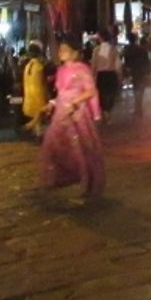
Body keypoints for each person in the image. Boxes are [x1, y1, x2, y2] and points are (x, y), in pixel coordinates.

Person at [40, 38, 105, 198]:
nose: (61, 52)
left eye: (65, 50)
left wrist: (74, 102)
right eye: (60, 49)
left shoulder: (82, 69)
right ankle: (63, 177)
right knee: (55, 143)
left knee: (81, 148)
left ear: (75, 53)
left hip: (77, 113)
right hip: (61, 111)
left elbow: (90, 91)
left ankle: (87, 181)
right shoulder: (61, 70)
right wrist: (52, 103)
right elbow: (61, 93)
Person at [91, 30, 121, 122]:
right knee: (111, 94)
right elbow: (118, 65)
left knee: (102, 94)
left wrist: (93, 76)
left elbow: (94, 65)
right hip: (111, 74)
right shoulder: (113, 49)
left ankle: (105, 110)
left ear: (100, 38)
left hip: (101, 75)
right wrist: (120, 76)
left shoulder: (96, 50)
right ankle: (107, 111)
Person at [22, 41, 49, 135]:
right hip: (39, 96)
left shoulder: (27, 66)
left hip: (29, 96)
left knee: (36, 117)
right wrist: (47, 96)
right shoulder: (40, 66)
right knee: (40, 116)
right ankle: (36, 133)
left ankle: (35, 132)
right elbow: (44, 82)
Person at [122, 32, 151, 120]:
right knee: (140, 89)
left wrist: (127, 71)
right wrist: (148, 72)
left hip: (133, 71)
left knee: (136, 89)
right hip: (141, 71)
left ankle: (138, 108)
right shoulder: (141, 49)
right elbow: (146, 61)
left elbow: (126, 62)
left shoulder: (127, 49)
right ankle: (139, 107)